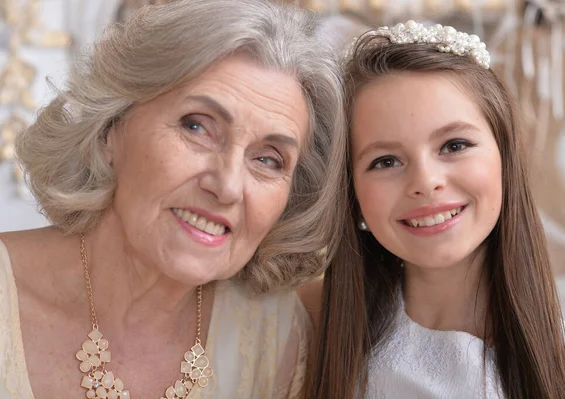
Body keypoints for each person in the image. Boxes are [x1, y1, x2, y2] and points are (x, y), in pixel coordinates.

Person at [0, 0, 347, 398]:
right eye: (197, 126)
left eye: (268, 159)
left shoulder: (276, 336)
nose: (228, 185)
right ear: (110, 129)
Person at [305, 21, 565, 398]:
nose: (425, 182)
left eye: (454, 145)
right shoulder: (312, 322)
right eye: (385, 161)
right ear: (352, 191)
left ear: (505, 157)